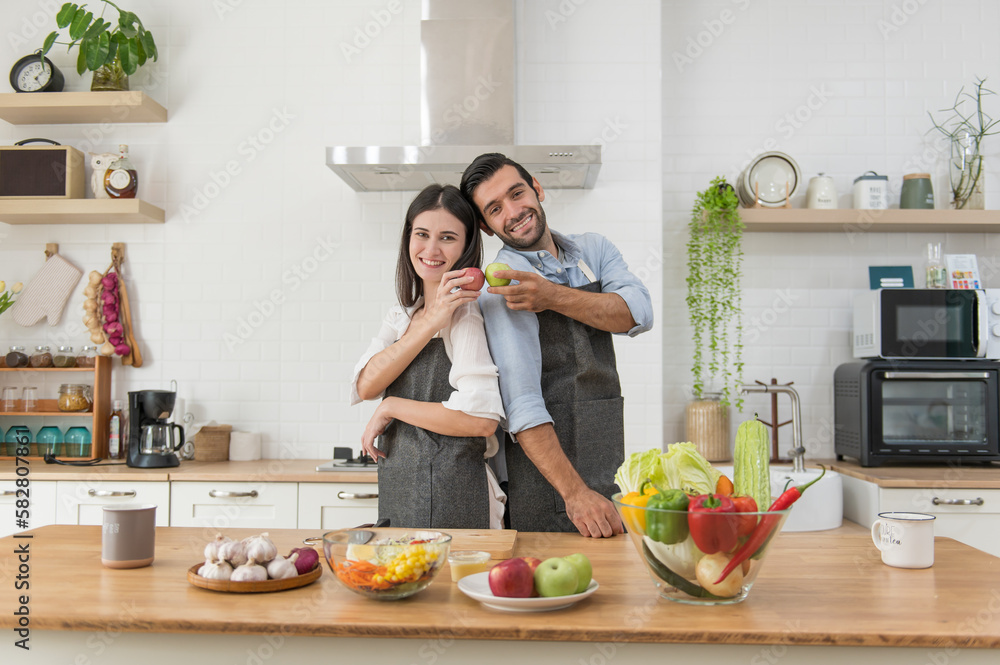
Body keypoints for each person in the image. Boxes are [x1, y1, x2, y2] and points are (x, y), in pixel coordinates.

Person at [460, 153, 653, 537]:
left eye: (517, 193)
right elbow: (522, 402)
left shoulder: (593, 250)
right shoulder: (502, 285)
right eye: (496, 208)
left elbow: (638, 314)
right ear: (485, 225)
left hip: (604, 455)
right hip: (550, 484)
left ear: (537, 187)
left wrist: (552, 297)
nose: (514, 211)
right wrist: (575, 493)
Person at [351, 184, 506, 529]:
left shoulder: (466, 316)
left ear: (466, 246)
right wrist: (428, 323)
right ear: (408, 238)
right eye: (422, 234)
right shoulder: (404, 315)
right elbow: (365, 384)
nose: (431, 249)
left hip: (453, 497)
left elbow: (480, 419)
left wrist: (391, 407)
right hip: (403, 492)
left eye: (447, 238)